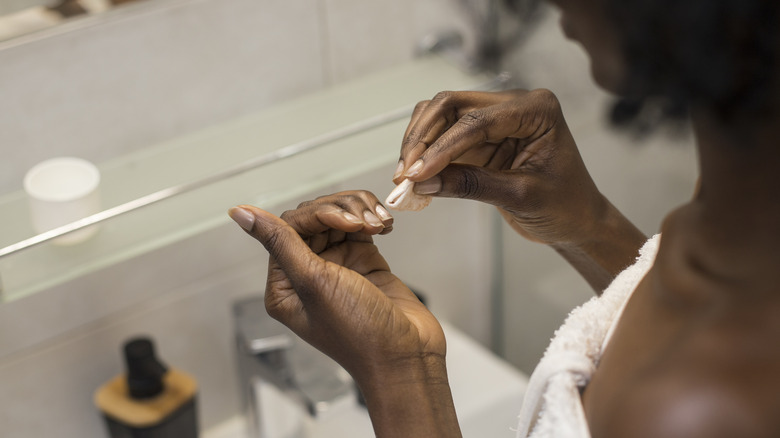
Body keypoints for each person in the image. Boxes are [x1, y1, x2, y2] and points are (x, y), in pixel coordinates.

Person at [227, 0, 780, 436]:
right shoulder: (738, 212)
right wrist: (587, 224)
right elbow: (678, 318)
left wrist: (401, 374)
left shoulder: (695, 413)